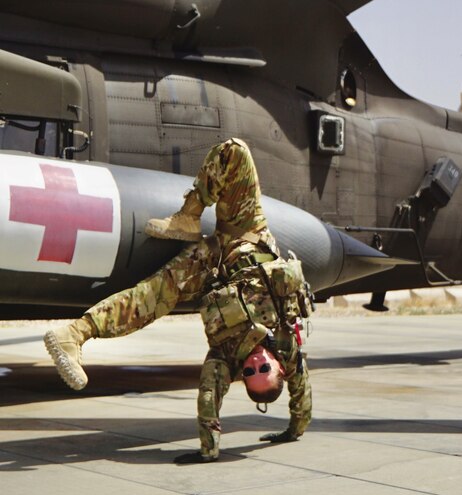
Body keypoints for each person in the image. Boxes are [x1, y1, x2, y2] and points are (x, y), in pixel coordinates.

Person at [43, 138, 312, 462]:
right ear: (280, 367)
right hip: (247, 232)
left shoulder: (225, 360)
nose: (254, 365)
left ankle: (73, 335)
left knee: (150, 297)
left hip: (208, 264)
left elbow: (209, 400)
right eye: (264, 369)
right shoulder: (287, 346)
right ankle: (190, 213)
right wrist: (293, 430)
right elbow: (302, 396)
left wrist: (208, 451)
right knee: (235, 151)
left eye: (250, 374)